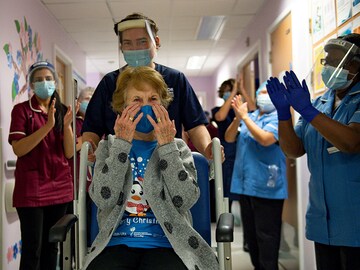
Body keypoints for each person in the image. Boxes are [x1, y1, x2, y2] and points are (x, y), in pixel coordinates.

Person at [82, 66, 218, 270]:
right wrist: (121, 145)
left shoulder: (178, 147)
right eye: (136, 100)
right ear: (122, 107)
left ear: (163, 104)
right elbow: (103, 198)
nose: (146, 107)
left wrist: (167, 147)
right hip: (116, 241)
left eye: (153, 99)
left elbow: (186, 199)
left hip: (169, 242)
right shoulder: (108, 147)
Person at [266, 33, 360, 270]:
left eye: (335, 61)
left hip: (355, 221)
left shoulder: (319, 107)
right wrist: (284, 114)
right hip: (323, 220)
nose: (328, 66)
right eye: (326, 61)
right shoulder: (320, 103)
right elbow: (293, 150)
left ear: (355, 65)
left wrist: (307, 111)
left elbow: (351, 142)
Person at [82, 12, 215, 161]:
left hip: (167, 162)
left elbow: (195, 125)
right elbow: (92, 128)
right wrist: (89, 148)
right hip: (121, 165)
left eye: (142, 41)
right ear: (121, 47)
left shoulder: (175, 79)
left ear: (156, 42)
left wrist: (207, 149)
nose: (135, 48)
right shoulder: (109, 83)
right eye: (127, 43)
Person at [8, 61, 75, 270]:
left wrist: (65, 126)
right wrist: (48, 127)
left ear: (55, 82)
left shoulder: (63, 110)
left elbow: (69, 152)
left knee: (51, 247)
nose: (44, 83)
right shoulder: (21, 111)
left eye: (48, 79)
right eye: (38, 80)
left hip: (59, 188)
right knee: (32, 249)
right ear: (31, 85)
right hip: (32, 190)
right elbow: (19, 149)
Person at [225, 82, 288, 270]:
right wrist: (238, 118)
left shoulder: (279, 118)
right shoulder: (249, 116)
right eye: (262, 91)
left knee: (266, 239)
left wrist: (244, 117)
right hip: (246, 186)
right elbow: (229, 137)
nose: (264, 95)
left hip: (267, 186)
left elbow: (265, 139)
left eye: (268, 92)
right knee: (251, 239)